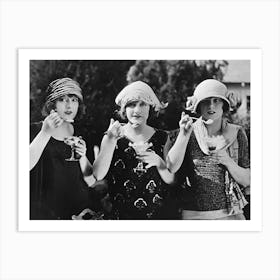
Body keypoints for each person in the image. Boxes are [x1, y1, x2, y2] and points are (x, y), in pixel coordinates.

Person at [167, 79, 250, 220]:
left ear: (225, 104)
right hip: (194, 216)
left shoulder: (237, 133)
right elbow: (171, 167)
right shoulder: (187, 130)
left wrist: (228, 161)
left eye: (216, 100)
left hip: (231, 214)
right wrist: (183, 135)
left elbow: (247, 180)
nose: (211, 106)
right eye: (206, 101)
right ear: (198, 105)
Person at [92, 81, 176, 219]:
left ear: (151, 108)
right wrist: (110, 141)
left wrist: (159, 163)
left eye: (143, 104)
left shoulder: (162, 138)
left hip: (155, 217)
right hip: (120, 217)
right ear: (124, 109)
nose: (137, 110)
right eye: (131, 104)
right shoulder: (113, 135)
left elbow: (172, 180)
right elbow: (98, 175)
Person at [30, 77, 97, 220]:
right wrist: (45, 133)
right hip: (44, 216)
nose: (69, 106)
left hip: (77, 214)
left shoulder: (81, 133)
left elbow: (90, 180)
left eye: (74, 100)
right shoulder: (34, 130)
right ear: (52, 104)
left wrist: (83, 157)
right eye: (62, 99)